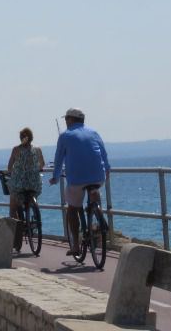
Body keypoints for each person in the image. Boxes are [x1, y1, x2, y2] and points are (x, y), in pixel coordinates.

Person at [49, 108, 111, 256]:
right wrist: (107, 170)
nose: (65, 123)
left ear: (71, 120)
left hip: (77, 179)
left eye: (66, 120)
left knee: (72, 209)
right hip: (98, 176)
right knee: (94, 191)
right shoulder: (94, 132)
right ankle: (99, 216)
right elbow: (103, 153)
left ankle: (76, 245)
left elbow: (58, 159)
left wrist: (56, 177)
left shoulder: (65, 136)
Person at [7, 127, 46, 222]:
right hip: (34, 184)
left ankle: (17, 228)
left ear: (21, 138)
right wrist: (38, 168)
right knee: (32, 197)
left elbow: (9, 167)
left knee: (13, 208)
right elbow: (42, 164)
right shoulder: (37, 150)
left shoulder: (16, 150)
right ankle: (35, 212)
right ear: (31, 137)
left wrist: (14, 172)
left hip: (19, 185)